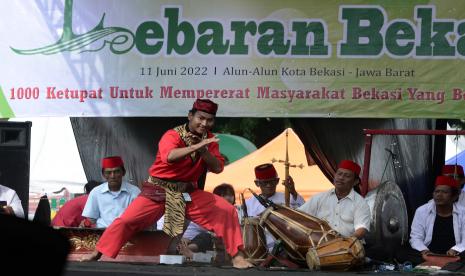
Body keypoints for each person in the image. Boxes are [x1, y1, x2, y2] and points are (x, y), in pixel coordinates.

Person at [82, 99, 253, 268]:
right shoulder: (173, 135)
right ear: (190, 116)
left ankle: (237, 257)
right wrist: (196, 147)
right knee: (127, 221)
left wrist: (204, 150)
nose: (204, 123)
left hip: (187, 193)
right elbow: (169, 157)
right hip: (157, 192)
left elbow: (217, 168)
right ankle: (97, 252)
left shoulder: (209, 141)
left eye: (209, 120)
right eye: (200, 118)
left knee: (226, 210)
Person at [399, 175, 465, 265]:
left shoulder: (463, 212)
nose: (439, 195)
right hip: (429, 254)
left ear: (454, 196)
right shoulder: (422, 211)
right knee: (400, 252)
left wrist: (455, 249)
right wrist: (424, 250)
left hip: (454, 255)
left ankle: (446, 263)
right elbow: (416, 237)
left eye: (444, 192)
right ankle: (434, 261)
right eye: (436, 191)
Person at [298, 160, 370, 239]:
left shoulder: (361, 203)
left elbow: (361, 229)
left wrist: (347, 241)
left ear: (355, 182)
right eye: (339, 174)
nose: (341, 178)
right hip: (319, 244)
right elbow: (299, 215)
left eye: (347, 176)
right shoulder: (320, 197)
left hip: (349, 246)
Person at [245, 163, 305, 250]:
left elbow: (304, 213)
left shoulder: (288, 198)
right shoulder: (249, 204)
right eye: (265, 183)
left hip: (286, 249)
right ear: (257, 183)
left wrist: (293, 192)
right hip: (259, 251)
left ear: (277, 181)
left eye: (272, 182)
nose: (269, 185)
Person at [177, 183, 238, 260]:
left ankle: (185, 251)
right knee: (208, 236)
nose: (228, 198)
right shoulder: (211, 210)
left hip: (200, 241)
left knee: (210, 237)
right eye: (224, 195)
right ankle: (186, 250)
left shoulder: (235, 211)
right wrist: (184, 238)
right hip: (189, 239)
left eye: (231, 195)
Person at [81, 156, 140, 228]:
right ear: (103, 174)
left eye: (116, 172)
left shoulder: (135, 192)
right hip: (102, 234)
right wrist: (85, 224)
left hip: (127, 235)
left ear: (123, 172)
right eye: (108, 172)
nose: (112, 176)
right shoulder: (96, 192)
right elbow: (91, 219)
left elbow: (139, 218)